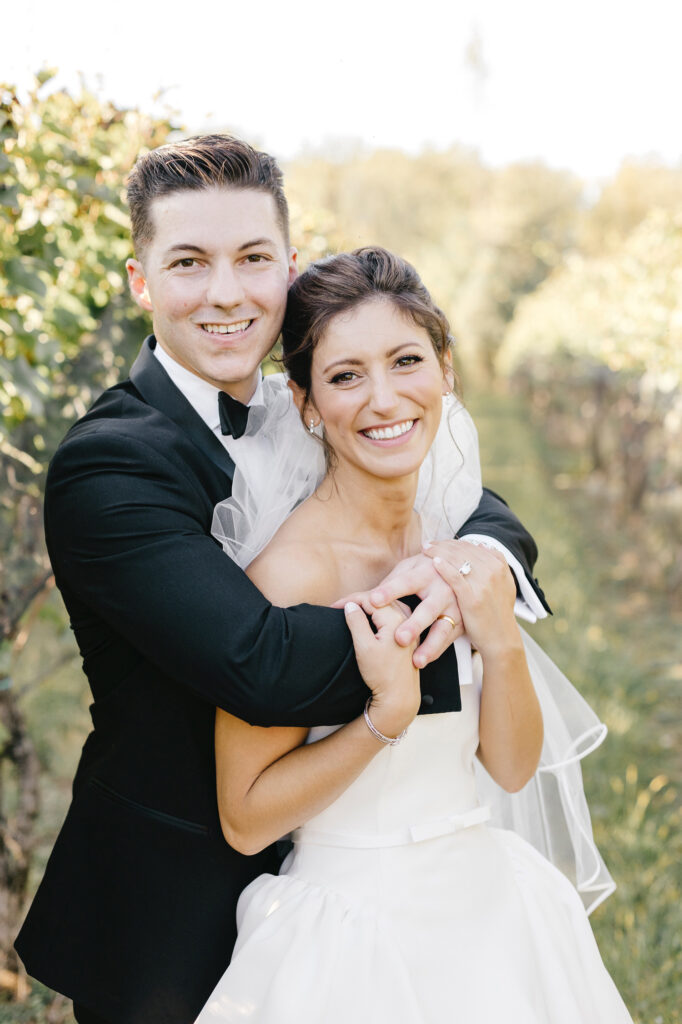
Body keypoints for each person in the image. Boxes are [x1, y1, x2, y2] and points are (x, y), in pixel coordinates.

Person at [14, 136, 548, 1024]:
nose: (226, 293)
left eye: (253, 259)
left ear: (287, 269)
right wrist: (449, 611)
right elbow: (258, 659)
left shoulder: (315, 405)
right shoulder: (108, 465)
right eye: (189, 262)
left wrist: (483, 563)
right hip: (175, 913)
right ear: (141, 281)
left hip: (351, 884)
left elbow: (476, 505)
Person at [196, 247, 633, 1022]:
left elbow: (509, 766)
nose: (384, 397)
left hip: (490, 906)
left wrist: (498, 639)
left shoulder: (453, 541)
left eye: (406, 361)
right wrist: (379, 722)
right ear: (303, 403)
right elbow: (246, 816)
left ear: (446, 372)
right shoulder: (288, 580)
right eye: (344, 375)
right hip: (357, 929)